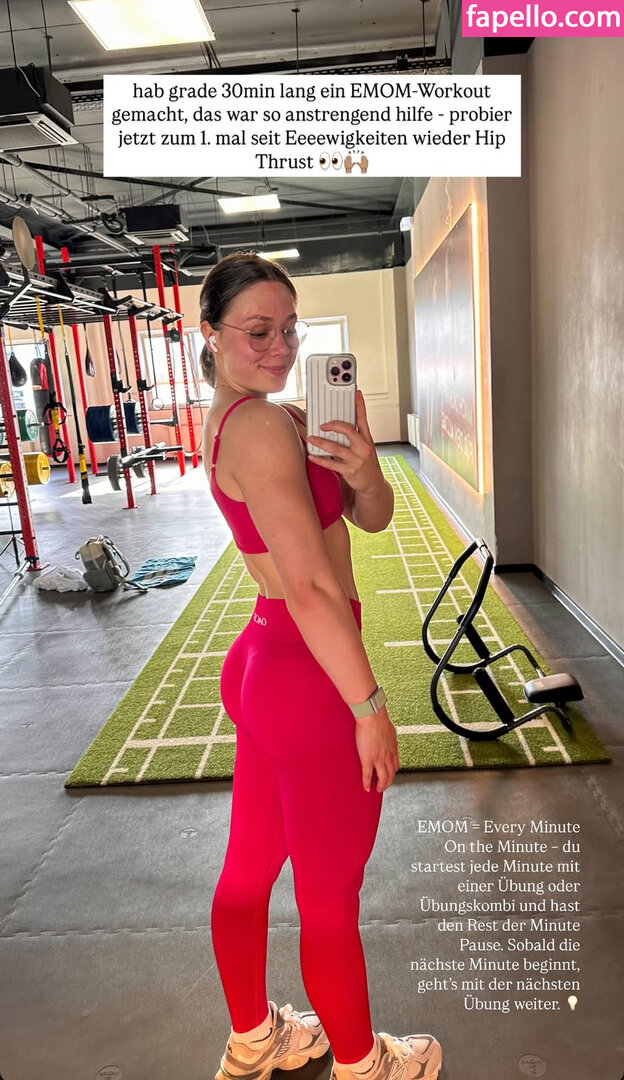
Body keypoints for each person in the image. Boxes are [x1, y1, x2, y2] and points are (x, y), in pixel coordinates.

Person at [200, 252, 442, 1080]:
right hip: (309, 673)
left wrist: (366, 471)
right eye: (258, 331)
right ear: (212, 334)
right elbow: (309, 586)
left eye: (290, 328)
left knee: (249, 867)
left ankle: (254, 1038)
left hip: (267, 661)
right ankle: (363, 1064)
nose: (281, 346)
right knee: (330, 892)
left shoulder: (263, 417)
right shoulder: (263, 428)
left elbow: (370, 519)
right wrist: (369, 707)